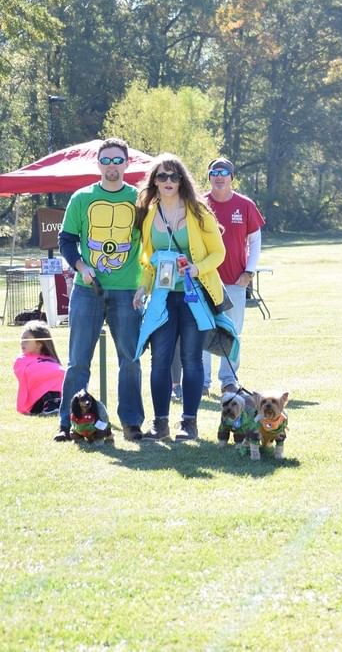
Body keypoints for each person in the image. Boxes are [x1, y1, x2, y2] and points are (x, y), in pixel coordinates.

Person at [55, 137, 145, 442]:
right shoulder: (81, 198)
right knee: (78, 360)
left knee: (130, 360)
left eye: (117, 160)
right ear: (98, 164)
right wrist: (81, 266)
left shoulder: (139, 199)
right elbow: (66, 240)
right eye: (105, 160)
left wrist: (146, 283)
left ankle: (132, 423)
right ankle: (68, 424)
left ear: (127, 163)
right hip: (87, 290)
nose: (111, 166)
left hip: (127, 291)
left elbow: (153, 241)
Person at [133, 154, 227, 442]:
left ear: (182, 180)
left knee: (191, 359)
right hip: (162, 297)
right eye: (162, 176)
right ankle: (160, 423)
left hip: (193, 295)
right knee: (159, 360)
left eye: (174, 176)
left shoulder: (199, 211)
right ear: (155, 181)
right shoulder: (149, 214)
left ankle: (189, 423)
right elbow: (147, 259)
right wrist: (143, 287)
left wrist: (197, 268)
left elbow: (218, 253)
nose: (168, 181)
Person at [201, 157, 265, 397]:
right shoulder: (200, 204)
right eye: (214, 172)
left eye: (224, 172)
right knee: (202, 329)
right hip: (203, 280)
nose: (219, 176)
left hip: (234, 280)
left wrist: (249, 272)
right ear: (209, 177)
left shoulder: (245, 204)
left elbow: (255, 240)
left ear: (231, 177)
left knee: (232, 332)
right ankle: (202, 382)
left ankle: (228, 380)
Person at [14, 320, 64, 415]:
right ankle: (50, 403)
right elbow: (30, 373)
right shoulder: (21, 360)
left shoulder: (50, 360)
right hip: (34, 404)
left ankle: (56, 403)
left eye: (26, 340)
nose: (22, 343)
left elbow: (59, 372)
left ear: (39, 344)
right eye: (22, 339)